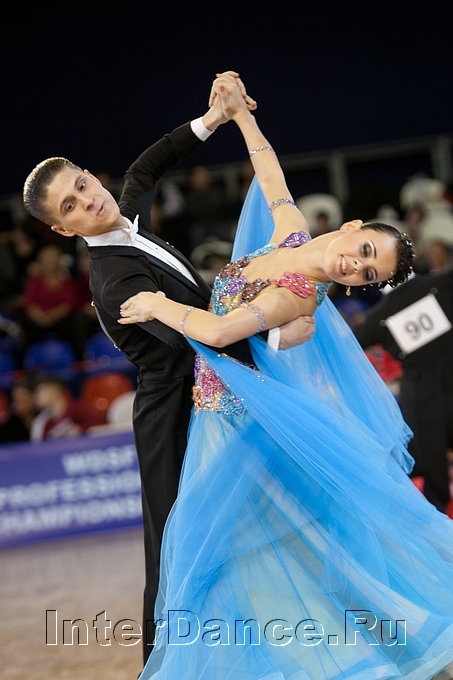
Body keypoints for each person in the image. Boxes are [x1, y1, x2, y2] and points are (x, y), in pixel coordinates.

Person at [120, 75, 453, 679]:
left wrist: (156, 305)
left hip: (236, 428)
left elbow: (218, 332)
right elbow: (268, 168)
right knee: (269, 558)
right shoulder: (291, 234)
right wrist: (239, 112)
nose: (354, 266)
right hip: (225, 420)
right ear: (352, 227)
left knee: (233, 556)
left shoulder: (299, 295)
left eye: (367, 275)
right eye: (365, 251)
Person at [22, 71, 315, 666]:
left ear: (90, 175)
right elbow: (190, 347)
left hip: (210, 382)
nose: (89, 200)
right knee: (173, 542)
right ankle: (163, 665)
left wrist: (213, 119)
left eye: (82, 184)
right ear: (62, 228)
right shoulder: (115, 281)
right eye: (71, 206)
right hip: (173, 409)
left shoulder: (124, 216)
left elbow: (146, 168)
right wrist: (275, 333)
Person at [353, 266, 453, 513]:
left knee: (431, 455)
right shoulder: (442, 283)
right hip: (442, 377)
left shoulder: (378, 316)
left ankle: (437, 511)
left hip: (421, 395)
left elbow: (350, 344)